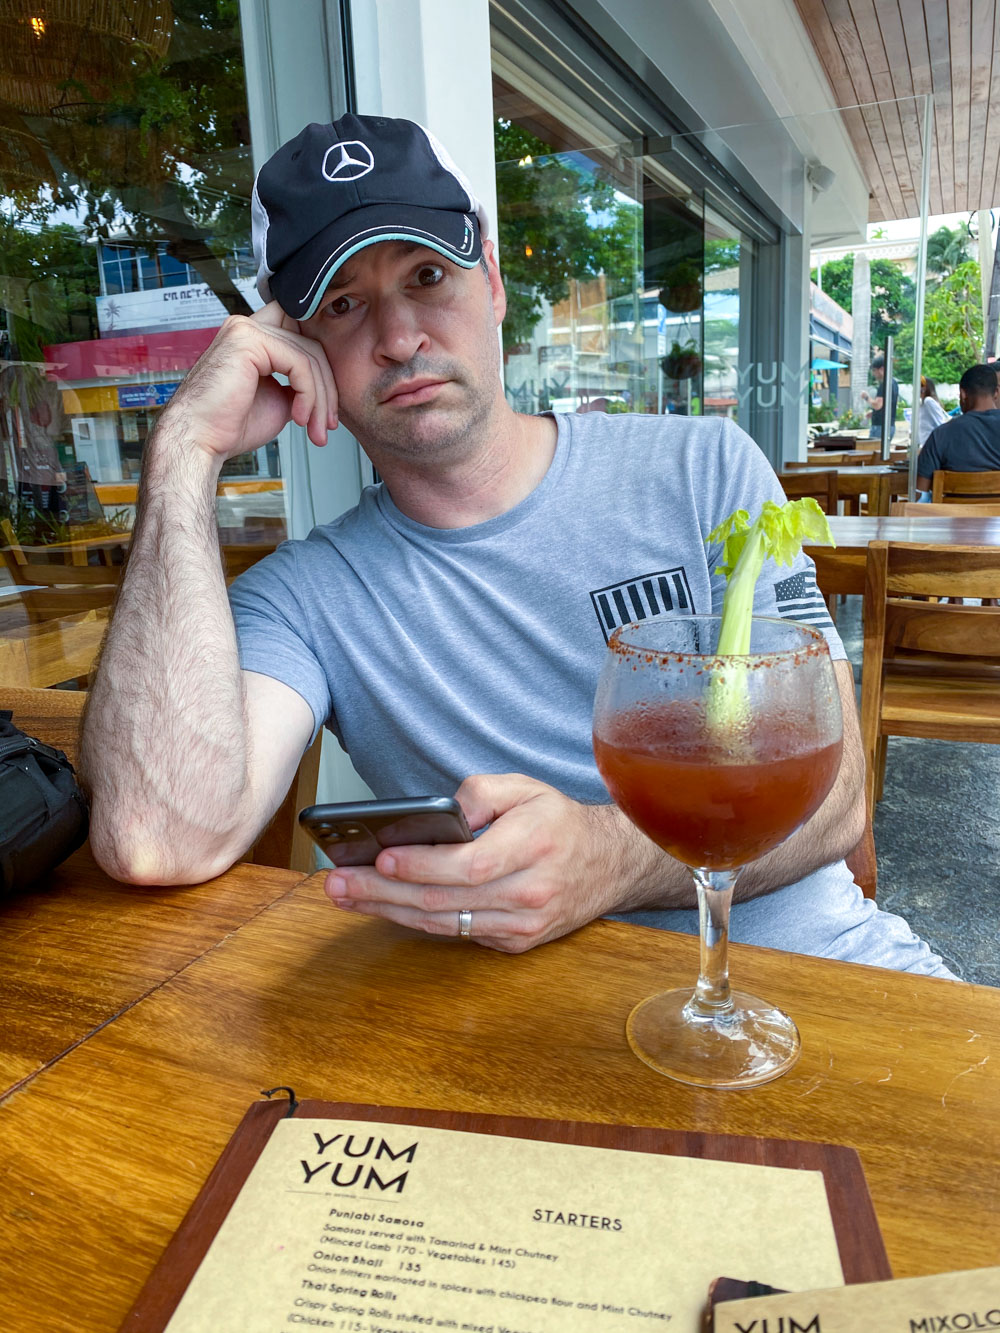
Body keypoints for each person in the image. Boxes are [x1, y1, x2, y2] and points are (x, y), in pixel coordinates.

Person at [80, 114, 952, 977]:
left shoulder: (701, 469)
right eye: (343, 303)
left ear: (491, 280)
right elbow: (156, 837)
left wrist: (606, 861)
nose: (398, 337)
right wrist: (184, 450)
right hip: (523, 1048)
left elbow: (836, 798)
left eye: (428, 275)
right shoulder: (306, 597)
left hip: (823, 979)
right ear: (294, 346)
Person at [916, 362, 1000, 492]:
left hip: (954, 512)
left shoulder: (940, 435)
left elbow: (919, 492)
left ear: (963, 394)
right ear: (996, 393)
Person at [860, 354, 899, 441]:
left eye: (874, 370)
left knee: (873, 451)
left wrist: (866, 397)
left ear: (882, 369)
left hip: (880, 427)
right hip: (889, 425)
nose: (874, 374)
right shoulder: (894, 383)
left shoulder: (884, 384)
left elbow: (877, 405)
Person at [917, 376, 949, 447]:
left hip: (930, 442)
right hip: (924, 442)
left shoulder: (928, 401)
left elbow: (939, 421)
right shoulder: (921, 403)